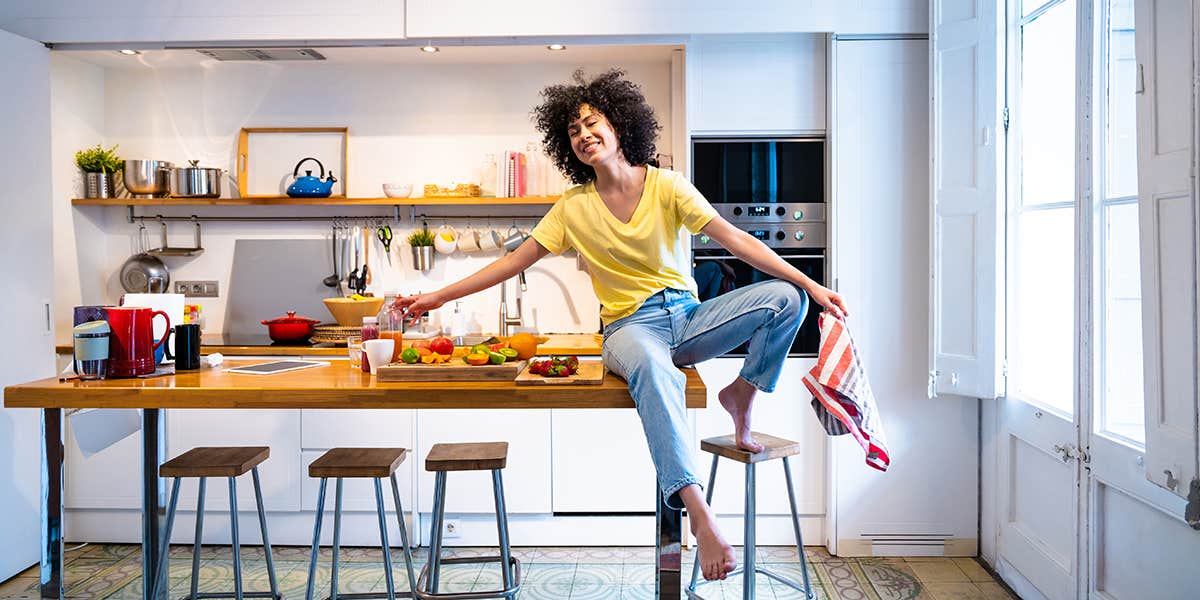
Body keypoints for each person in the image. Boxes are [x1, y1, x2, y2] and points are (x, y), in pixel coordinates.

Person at [392, 69, 849, 582]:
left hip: (690, 317)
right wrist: (433, 296)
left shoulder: (668, 186)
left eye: (592, 122)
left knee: (785, 300)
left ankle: (742, 394)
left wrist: (811, 285)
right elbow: (511, 263)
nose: (584, 135)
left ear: (619, 126)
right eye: (572, 131)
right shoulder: (573, 207)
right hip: (630, 330)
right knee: (656, 371)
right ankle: (698, 509)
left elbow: (735, 240)